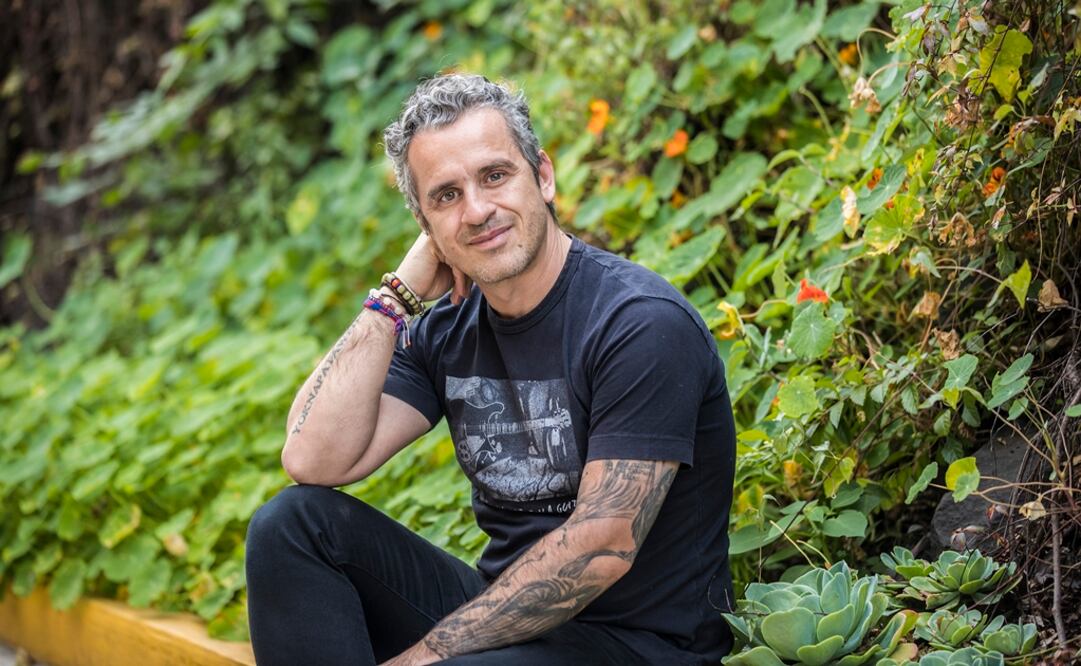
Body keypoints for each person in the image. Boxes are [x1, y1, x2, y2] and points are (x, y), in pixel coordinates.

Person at [244, 73, 736, 665]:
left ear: (543, 177)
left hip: (637, 648)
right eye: (446, 196)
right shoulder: (447, 327)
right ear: (426, 226)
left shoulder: (638, 323)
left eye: (494, 176)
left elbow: (603, 543)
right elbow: (312, 458)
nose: (477, 210)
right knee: (291, 526)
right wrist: (394, 300)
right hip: (510, 626)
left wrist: (427, 656)